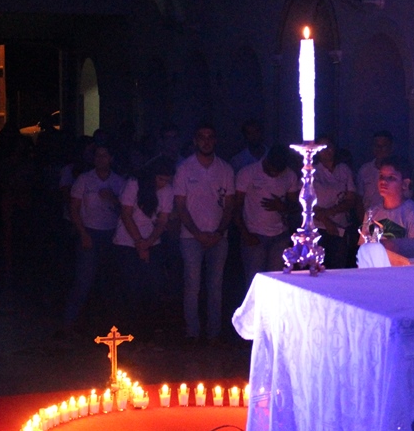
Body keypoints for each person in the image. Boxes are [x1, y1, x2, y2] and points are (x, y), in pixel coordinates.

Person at [173, 123, 235, 344]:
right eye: (202, 137)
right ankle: (192, 332)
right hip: (191, 237)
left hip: (219, 236)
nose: (206, 141)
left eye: (210, 137)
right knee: (192, 285)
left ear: (215, 140)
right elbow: (180, 206)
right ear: (195, 140)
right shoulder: (184, 168)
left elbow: (229, 204)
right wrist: (197, 233)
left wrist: (219, 231)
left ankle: (214, 333)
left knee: (215, 286)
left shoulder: (225, 169)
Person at [60, 143, 126, 336]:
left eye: (104, 155)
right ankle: (68, 324)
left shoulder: (119, 181)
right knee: (83, 280)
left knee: (109, 282)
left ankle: (109, 326)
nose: (100, 159)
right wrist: (83, 233)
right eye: (97, 156)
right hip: (89, 233)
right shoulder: (84, 179)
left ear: (111, 158)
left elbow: (125, 212)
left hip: (112, 236)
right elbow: (74, 208)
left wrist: (113, 199)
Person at [114, 156, 175, 342]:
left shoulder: (167, 190)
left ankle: (148, 331)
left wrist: (148, 243)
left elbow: (162, 221)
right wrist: (139, 242)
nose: (163, 184)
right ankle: (130, 332)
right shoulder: (134, 184)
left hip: (151, 242)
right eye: (160, 179)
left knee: (154, 285)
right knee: (132, 287)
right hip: (126, 242)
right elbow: (126, 214)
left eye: (167, 180)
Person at [235, 144, 300, 284]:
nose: (274, 174)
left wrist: (282, 206)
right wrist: (245, 234)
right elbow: (236, 206)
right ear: (266, 160)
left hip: (280, 235)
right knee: (255, 281)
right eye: (271, 171)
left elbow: (295, 207)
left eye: (277, 172)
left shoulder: (290, 175)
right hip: (254, 234)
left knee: (277, 281)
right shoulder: (248, 173)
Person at [312, 136, 357, 269]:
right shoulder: (313, 171)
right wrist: (326, 221)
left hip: (340, 227)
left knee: (338, 267)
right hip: (318, 227)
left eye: (329, 146)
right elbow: (307, 202)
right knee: (317, 266)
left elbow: (351, 198)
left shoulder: (344, 169)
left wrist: (329, 212)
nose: (327, 150)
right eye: (323, 147)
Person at [366, 155, 414, 239]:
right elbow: (364, 244)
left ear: (405, 184)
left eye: (391, 177)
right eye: (381, 176)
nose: (383, 181)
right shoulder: (372, 213)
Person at [355, 130, 395, 212]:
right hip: (370, 216)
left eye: (384, 146)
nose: (379, 149)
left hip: (392, 217)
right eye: (376, 145)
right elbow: (359, 199)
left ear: (390, 147)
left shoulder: (397, 171)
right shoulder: (364, 170)